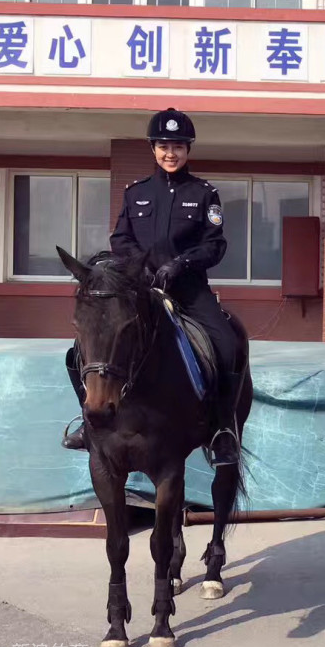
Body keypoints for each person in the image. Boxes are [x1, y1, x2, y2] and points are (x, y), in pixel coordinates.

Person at [61, 107, 241, 466]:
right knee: (81, 349)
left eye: (177, 146)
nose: (170, 153)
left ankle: (222, 430)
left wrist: (179, 264)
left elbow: (214, 245)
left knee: (227, 344)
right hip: (139, 291)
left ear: (188, 150)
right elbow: (121, 239)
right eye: (163, 146)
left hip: (188, 291)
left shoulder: (204, 193)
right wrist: (138, 268)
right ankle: (89, 422)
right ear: (153, 149)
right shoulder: (136, 193)